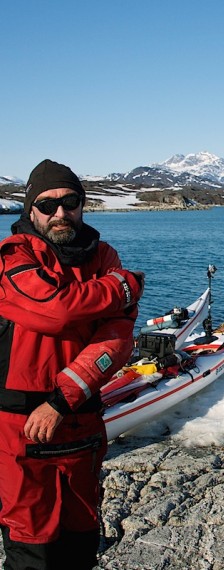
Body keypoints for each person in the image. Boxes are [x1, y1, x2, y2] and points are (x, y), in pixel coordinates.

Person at [0, 159, 144, 569]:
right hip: (19, 425)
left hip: (79, 419)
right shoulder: (11, 257)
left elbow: (116, 339)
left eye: (70, 201)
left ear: (83, 205)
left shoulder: (103, 254)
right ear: (31, 211)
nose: (60, 212)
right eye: (48, 205)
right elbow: (53, 310)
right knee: (31, 543)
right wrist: (121, 286)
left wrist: (62, 399)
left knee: (81, 540)